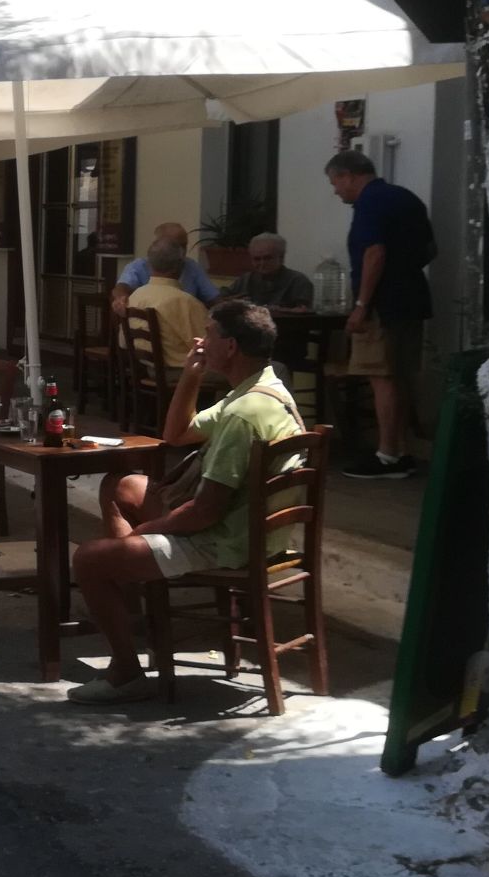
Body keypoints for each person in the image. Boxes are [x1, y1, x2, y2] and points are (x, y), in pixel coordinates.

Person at [66, 300, 305, 703]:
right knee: (122, 486)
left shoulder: (243, 413)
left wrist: (145, 532)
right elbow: (176, 434)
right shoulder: (263, 389)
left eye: (208, 333)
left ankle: (126, 671)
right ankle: (130, 596)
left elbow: (204, 512)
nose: (201, 340)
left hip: (228, 540)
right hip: (249, 527)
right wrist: (191, 376)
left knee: (89, 560)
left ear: (230, 346)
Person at [325, 150, 435, 478]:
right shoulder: (407, 199)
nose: (336, 191)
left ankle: (387, 455)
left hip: (381, 306)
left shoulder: (369, 202)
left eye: (335, 182)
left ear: (349, 175)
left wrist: (362, 305)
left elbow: (374, 253)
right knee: (401, 375)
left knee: (381, 376)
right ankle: (401, 451)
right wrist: (404, 272)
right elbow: (431, 250)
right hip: (412, 300)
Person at [125, 238, 209, 372]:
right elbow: (208, 347)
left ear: (150, 264)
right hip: (182, 373)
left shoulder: (135, 296)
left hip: (147, 369)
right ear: (180, 266)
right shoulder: (185, 302)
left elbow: (123, 342)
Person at [111, 222, 220, 316]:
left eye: (184, 245)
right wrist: (121, 299)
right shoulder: (139, 266)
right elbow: (122, 287)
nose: (182, 251)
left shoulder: (192, 266)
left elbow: (214, 299)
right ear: (159, 244)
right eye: (176, 245)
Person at [221, 232, 313, 310]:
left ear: (281, 258)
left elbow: (304, 313)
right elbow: (221, 298)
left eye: (268, 258)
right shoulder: (245, 279)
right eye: (257, 259)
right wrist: (232, 302)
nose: (262, 263)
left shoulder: (298, 281)